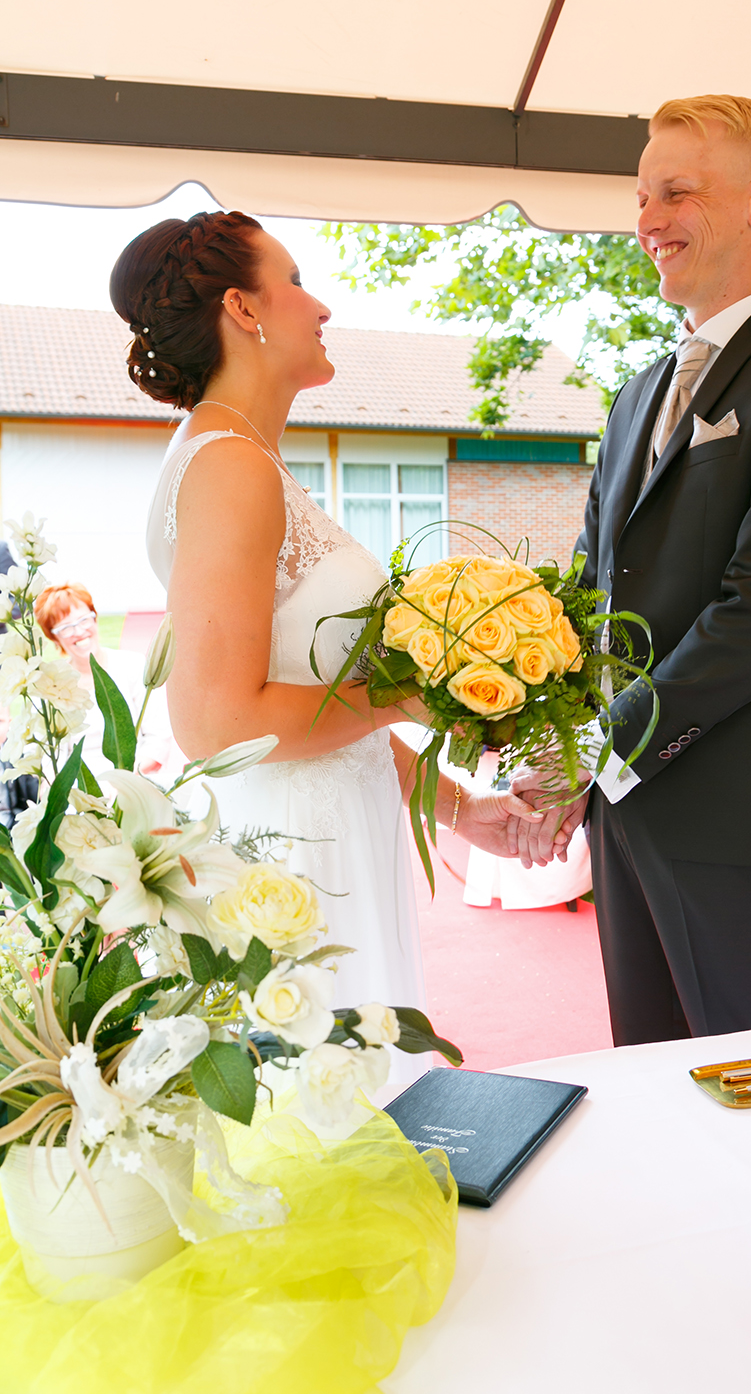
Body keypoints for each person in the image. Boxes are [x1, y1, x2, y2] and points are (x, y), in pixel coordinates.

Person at [112, 211, 541, 1073]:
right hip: (295, 859)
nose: (322, 307)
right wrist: (409, 694)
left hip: (333, 833)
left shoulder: (244, 457)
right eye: (298, 281)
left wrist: (463, 811)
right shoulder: (229, 464)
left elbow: (320, 708)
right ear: (243, 308)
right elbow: (218, 723)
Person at [512, 95, 751, 1045]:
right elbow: (592, 591)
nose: (647, 220)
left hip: (732, 816)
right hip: (621, 811)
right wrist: (545, 729)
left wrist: (600, 749)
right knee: (648, 1076)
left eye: (676, 192)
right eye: (642, 197)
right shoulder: (638, 393)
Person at [34, 581, 176, 779]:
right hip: (77, 787)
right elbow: (47, 760)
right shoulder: (50, 686)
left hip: (132, 781)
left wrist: (122, 782)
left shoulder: (132, 666)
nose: (79, 631)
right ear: (54, 637)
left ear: (95, 618)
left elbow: (158, 740)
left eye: (84, 620)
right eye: (65, 628)